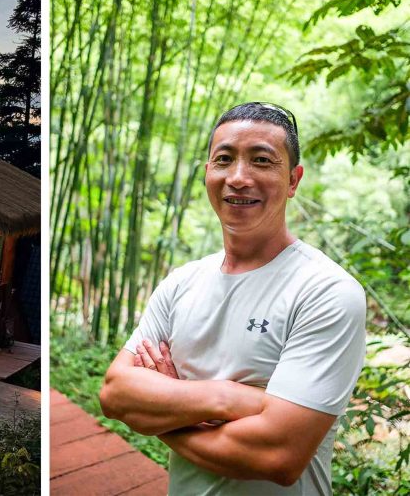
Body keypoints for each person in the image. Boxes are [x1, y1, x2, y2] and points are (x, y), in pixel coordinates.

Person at [98, 102, 366, 495]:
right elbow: (115, 393)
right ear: (208, 172)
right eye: (224, 159)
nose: (238, 178)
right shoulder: (181, 283)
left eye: (261, 161)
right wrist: (227, 398)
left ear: (293, 180)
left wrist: (160, 414)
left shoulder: (325, 291)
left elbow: (277, 456)